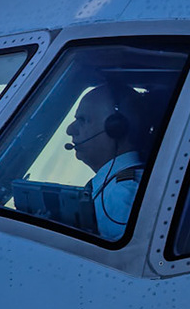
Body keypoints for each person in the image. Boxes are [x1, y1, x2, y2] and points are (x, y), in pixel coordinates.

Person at [63, 81, 148, 241]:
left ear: (116, 128)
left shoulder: (122, 196)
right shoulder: (113, 187)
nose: (70, 129)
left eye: (83, 120)